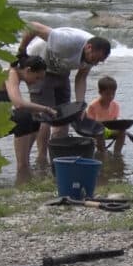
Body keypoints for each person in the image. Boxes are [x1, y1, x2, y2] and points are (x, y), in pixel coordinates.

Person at [17, 22, 111, 162]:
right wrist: (21, 51)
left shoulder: (92, 55)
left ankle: (58, 156)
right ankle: (41, 158)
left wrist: (80, 104)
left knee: (65, 115)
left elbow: (81, 77)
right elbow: (33, 26)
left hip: (62, 72)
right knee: (45, 117)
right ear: (88, 47)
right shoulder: (65, 41)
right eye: (94, 60)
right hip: (39, 70)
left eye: (99, 62)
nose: (95, 63)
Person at [0, 55, 57, 177]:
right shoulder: (11, 74)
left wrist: (36, 111)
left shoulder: (16, 73)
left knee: (35, 119)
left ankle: (25, 162)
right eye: (37, 78)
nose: (37, 82)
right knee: (24, 117)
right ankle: (23, 168)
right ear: (28, 70)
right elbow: (18, 104)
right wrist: (45, 109)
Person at [86, 76, 125, 155]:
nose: (110, 97)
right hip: (95, 131)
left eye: (113, 94)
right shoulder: (93, 106)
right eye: (107, 94)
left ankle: (117, 153)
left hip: (109, 130)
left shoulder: (115, 105)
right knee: (99, 131)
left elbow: (115, 121)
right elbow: (89, 124)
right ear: (100, 92)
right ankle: (103, 152)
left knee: (123, 131)